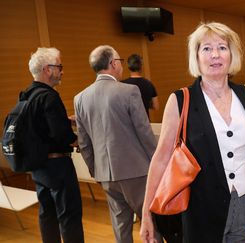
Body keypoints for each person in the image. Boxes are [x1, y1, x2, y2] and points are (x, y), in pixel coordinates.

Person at [140, 22, 245, 243]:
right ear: (196, 56)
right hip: (199, 208)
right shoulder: (180, 99)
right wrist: (146, 213)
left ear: (231, 55)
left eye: (222, 47)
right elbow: (161, 159)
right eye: (206, 48)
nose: (215, 54)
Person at [74, 45, 159, 243]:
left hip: (105, 174)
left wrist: (96, 170)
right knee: (150, 224)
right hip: (136, 172)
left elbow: (84, 143)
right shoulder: (129, 91)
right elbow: (144, 133)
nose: (121, 66)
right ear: (113, 64)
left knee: (121, 226)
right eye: (119, 62)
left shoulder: (80, 98)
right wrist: (158, 162)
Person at [27, 47, 84, 243]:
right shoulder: (50, 96)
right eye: (59, 66)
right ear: (47, 69)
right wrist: (84, 142)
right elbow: (62, 137)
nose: (62, 71)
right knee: (69, 216)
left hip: (38, 166)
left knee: (47, 215)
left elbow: (40, 127)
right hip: (57, 167)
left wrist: (62, 120)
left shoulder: (28, 94)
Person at [121, 54, 159, 120]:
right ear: (141, 67)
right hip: (144, 123)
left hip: (127, 124)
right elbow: (156, 106)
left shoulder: (121, 84)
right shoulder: (149, 84)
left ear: (128, 67)